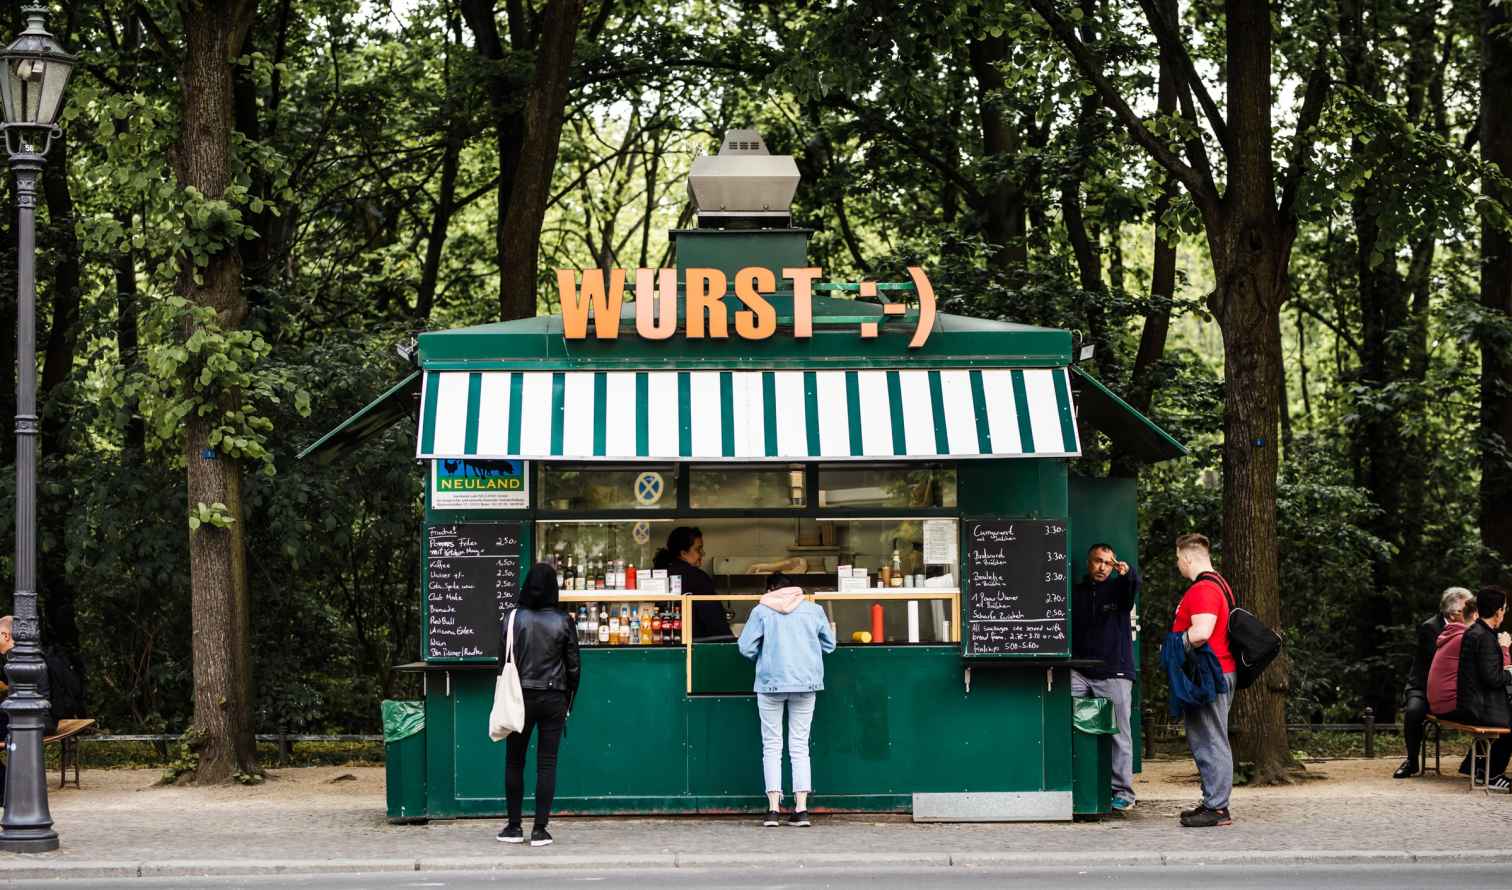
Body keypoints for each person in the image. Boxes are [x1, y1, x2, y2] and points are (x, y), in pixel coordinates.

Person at [737, 572, 835, 828]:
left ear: (770, 589)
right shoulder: (813, 610)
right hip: (806, 683)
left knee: (772, 745)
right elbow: (830, 645)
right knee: (800, 745)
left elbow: (745, 647)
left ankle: (773, 810)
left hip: (771, 684)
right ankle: (801, 809)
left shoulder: (761, 611)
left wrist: (766, 654)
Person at [496, 564, 581, 847]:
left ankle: (513, 826)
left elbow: (502, 660)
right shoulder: (563, 620)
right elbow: (574, 667)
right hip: (553, 697)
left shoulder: (512, 617)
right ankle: (540, 830)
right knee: (547, 764)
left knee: (514, 761)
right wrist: (568, 700)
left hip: (519, 697)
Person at [1170, 534, 1235, 828]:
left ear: (1187, 558)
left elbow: (1201, 632)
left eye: (1177, 559)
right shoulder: (1219, 585)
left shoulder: (1203, 589)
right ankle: (1212, 802)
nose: (1178, 565)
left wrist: (1172, 645)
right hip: (1218, 671)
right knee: (1208, 737)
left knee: (1210, 739)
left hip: (1211, 674)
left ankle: (1218, 808)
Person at [1070, 543, 1140, 811]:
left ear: (1114, 566)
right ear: (1089, 562)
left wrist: (1128, 574)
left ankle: (1123, 792)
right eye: (1098, 561)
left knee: (1119, 733)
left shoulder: (1120, 590)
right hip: (1080, 671)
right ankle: (1077, 784)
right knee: (1069, 723)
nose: (1101, 567)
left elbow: (1132, 587)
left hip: (1115, 672)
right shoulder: (1078, 592)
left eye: (1107, 563)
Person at [1396, 587, 1472, 778]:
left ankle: (1475, 763)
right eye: (1468, 609)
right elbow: (1439, 663)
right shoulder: (1430, 628)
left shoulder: (1471, 626)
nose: (1473, 613)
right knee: (1414, 711)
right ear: (1453, 613)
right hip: (1423, 685)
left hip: (1450, 687)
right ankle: (1412, 760)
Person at [1443, 586, 1512, 789]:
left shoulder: (1475, 630)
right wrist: (1510, 672)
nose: (1504, 613)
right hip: (1479, 708)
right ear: (1498, 610)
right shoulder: (1486, 637)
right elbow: (1492, 679)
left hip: (1473, 702)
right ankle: (1491, 774)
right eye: (1504, 608)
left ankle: (1479, 768)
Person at [654, 526, 733, 640]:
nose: (702, 554)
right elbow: (714, 619)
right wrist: (728, 642)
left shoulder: (661, 574)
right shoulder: (697, 577)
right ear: (683, 553)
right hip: (698, 645)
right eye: (698, 549)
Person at [1427, 597, 1477, 717]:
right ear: (1476, 615)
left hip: (1439, 705)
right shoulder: (1466, 638)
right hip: (1451, 706)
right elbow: (1493, 673)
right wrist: (1504, 648)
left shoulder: (1453, 634)